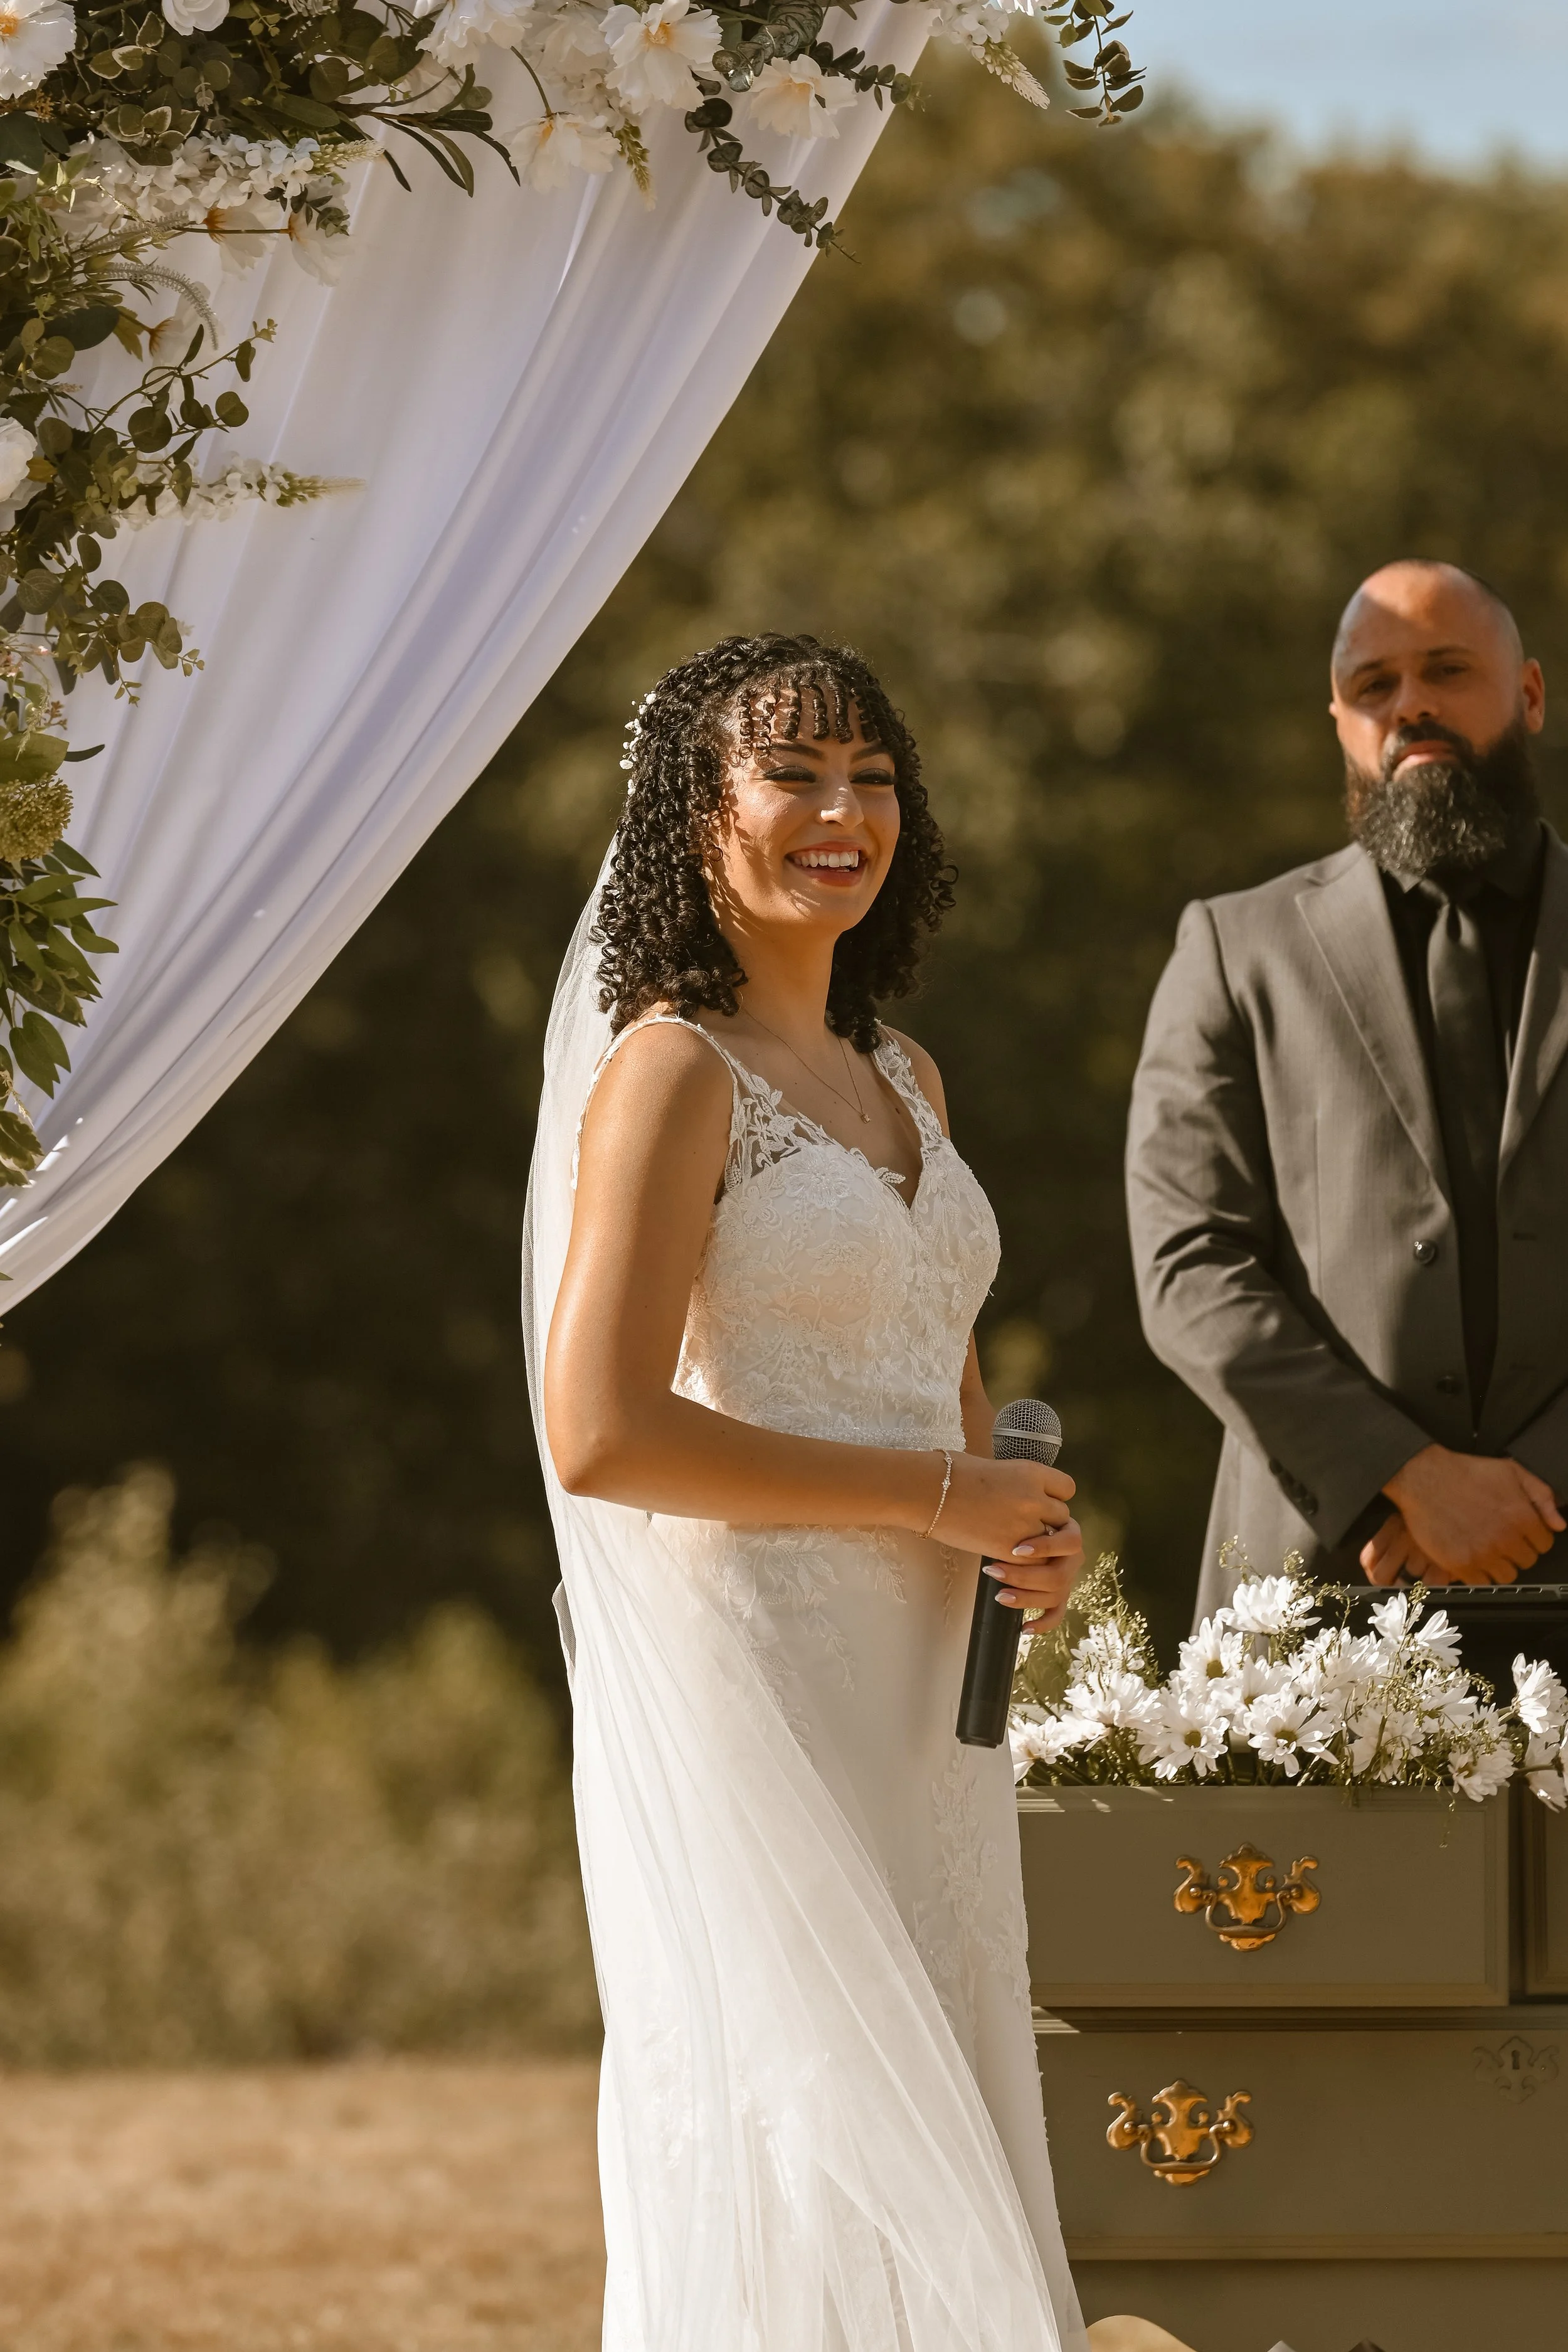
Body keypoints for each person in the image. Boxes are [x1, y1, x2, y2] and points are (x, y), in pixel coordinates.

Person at [524, 635, 1089, 2351]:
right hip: (767, 1675)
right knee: (815, 2112)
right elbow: (600, 1432)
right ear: (698, 818)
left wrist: (1022, 1529)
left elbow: (943, 1358)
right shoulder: (670, 1071)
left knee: (945, 2068)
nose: (842, 811)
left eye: (871, 775)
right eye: (793, 774)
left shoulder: (910, 1074)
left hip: (932, 1689)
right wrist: (933, 1496)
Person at [1127, 559, 1568, 1625]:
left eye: (1446, 669)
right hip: (1321, 1596)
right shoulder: (1235, 947)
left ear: (1531, 694)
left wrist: (1534, 1487)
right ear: (1340, 721)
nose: (1408, 704)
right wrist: (1404, 1475)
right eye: (1373, 685)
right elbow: (1188, 1261)